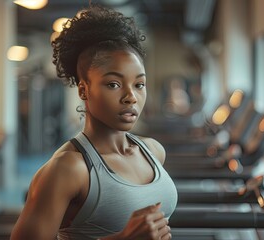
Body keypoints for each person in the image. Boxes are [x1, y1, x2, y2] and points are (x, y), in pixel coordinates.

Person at [10, 4, 178, 240]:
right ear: (83, 90)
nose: (131, 97)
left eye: (139, 84)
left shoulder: (153, 151)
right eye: (113, 84)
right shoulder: (66, 170)